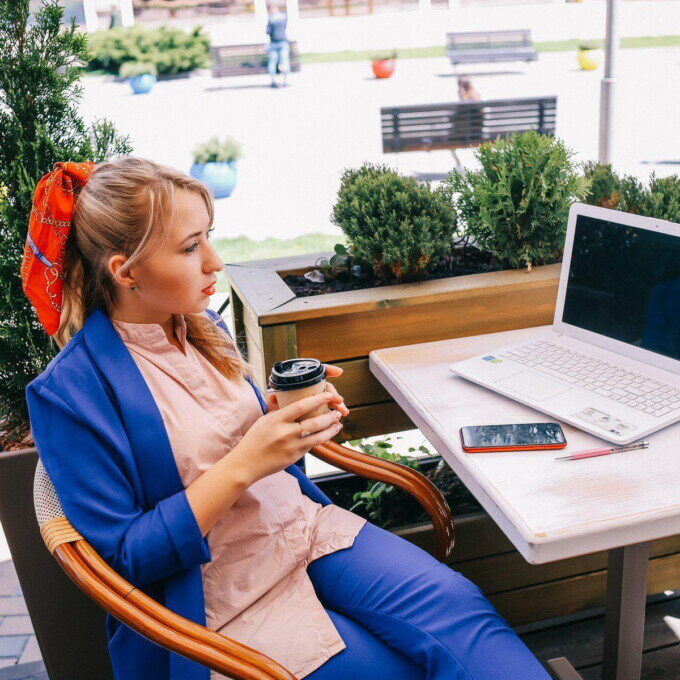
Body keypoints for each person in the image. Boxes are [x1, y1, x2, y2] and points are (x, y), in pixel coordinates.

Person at [23, 158, 551, 680]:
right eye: (190, 247)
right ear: (125, 271)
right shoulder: (70, 395)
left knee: (460, 609)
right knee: (396, 670)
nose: (215, 262)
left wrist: (286, 418)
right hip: (218, 595)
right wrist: (245, 463)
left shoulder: (201, 327)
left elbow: (221, 435)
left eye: (209, 237)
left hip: (302, 529)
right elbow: (128, 558)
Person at [266, 2, 290, 88]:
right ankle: (285, 81)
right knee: (284, 61)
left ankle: (274, 81)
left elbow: (268, 32)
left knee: (273, 62)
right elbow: (285, 27)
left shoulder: (271, 18)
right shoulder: (284, 16)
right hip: (283, 42)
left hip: (274, 43)